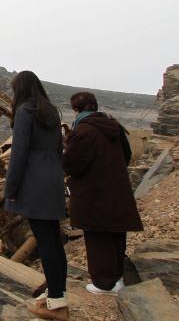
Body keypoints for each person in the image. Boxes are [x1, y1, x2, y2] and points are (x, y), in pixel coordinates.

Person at [63, 91, 143, 295]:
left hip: (93, 194)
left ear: (76, 110)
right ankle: (116, 279)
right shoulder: (114, 127)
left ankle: (103, 284)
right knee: (116, 235)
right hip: (116, 190)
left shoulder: (83, 131)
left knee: (98, 238)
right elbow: (126, 156)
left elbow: (71, 164)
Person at [4, 71, 68, 320]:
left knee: (45, 241)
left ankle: (56, 303)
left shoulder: (25, 111)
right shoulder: (51, 111)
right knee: (53, 239)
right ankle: (57, 292)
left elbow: (18, 154)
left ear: (20, 89)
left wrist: (10, 190)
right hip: (52, 180)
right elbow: (59, 149)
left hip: (34, 182)